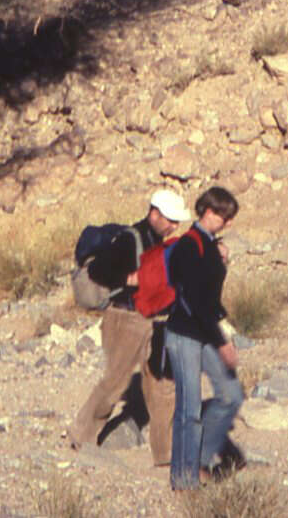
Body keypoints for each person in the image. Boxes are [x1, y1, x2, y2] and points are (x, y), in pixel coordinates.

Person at [67, 187, 191, 460]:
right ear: (154, 214)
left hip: (152, 320)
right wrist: (128, 279)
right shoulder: (129, 239)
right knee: (115, 384)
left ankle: (166, 451)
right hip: (125, 319)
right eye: (170, 219)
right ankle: (80, 437)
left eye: (176, 221)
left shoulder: (158, 243)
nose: (174, 226)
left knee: (162, 385)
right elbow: (100, 270)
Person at [163, 184, 244, 490]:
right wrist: (221, 340)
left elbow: (210, 299)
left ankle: (200, 459)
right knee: (189, 409)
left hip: (206, 332)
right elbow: (195, 301)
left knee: (230, 394)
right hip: (184, 334)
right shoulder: (189, 245)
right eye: (225, 217)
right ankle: (184, 479)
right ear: (209, 212)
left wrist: (224, 331)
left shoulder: (209, 245)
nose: (229, 224)